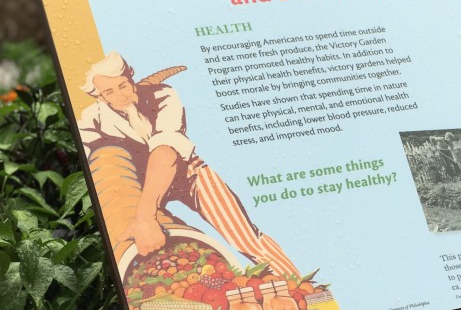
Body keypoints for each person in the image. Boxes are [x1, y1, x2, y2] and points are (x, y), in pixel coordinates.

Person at [77, 51, 298, 278]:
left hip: (188, 174)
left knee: (245, 237)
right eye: (109, 92)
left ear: (131, 78)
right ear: (101, 97)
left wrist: (145, 218)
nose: (119, 95)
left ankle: (297, 283)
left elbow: (166, 153)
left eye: (123, 86)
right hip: (138, 187)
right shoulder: (91, 120)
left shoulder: (162, 96)